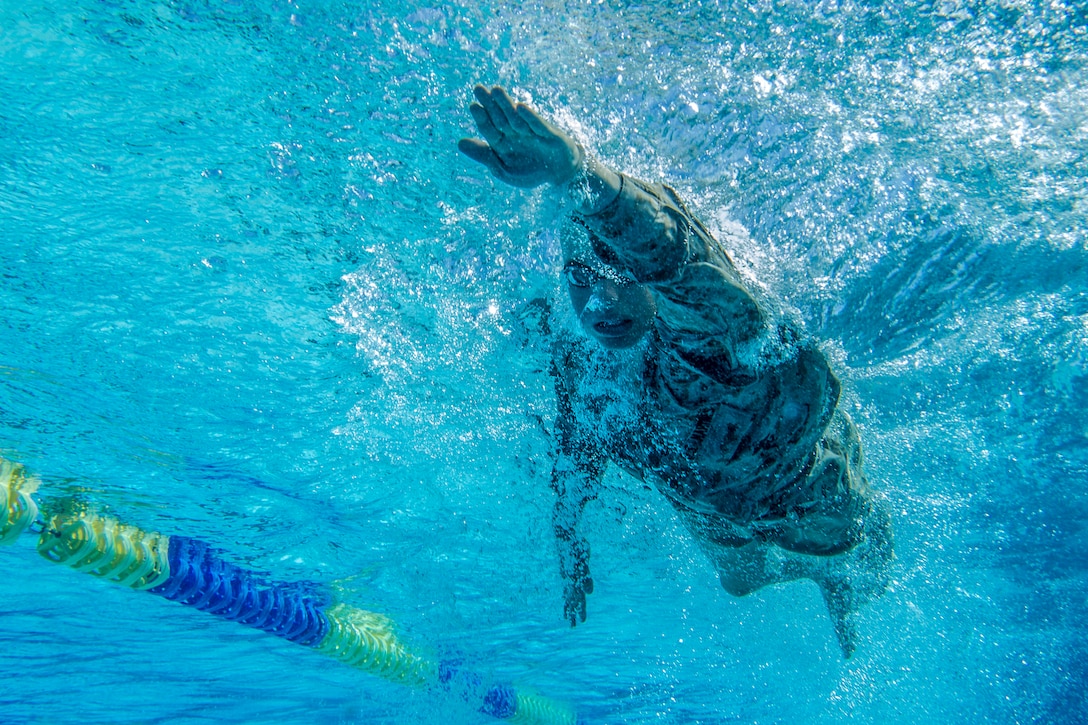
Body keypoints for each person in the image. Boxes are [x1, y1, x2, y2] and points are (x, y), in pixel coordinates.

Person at [458, 85, 893, 658]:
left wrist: (580, 177)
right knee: (742, 582)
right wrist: (569, 535)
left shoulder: (703, 332)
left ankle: (841, 597)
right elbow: (576, 440)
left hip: (801, 484)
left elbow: (676, 256)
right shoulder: (580, 351)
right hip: (711, 509)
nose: (597, 305)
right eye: (579, 279)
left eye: (614, 277)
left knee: (851, 560)